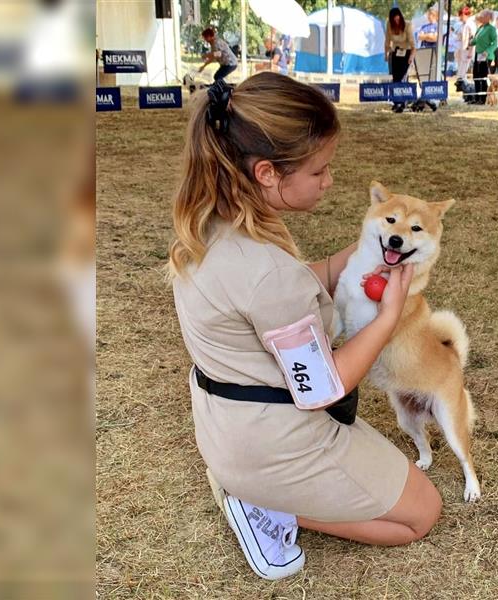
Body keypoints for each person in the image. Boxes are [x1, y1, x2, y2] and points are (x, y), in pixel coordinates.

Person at [169, 73, 441, 581]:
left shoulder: (212, 221)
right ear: (268, 172)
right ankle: (266, 506)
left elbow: (282, 293)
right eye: (319, 170)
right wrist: (387, 318)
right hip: (272, 440)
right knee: (420, 514)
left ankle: (257, 489)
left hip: (228, 423)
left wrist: (359, 261)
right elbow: (323, 386)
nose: (329, 180)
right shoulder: (267, 273)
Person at [384, 7, 415, 113]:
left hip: (406, 52)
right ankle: (396, 101)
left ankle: (403, 101)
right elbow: (387, 40)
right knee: (395, 77)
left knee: (402, 77)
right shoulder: (389, 24)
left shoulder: (408, 25)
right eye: (394, 20)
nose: (396, 21)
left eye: (398, 19)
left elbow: (413, 45)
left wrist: (411, 56)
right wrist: (386, 54)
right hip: (395, 53)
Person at [469, 10, 497, 105]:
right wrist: (470, 43)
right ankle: (476, 98)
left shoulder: (491, 29)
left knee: (483, 77)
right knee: (476, 76)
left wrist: (488, 51)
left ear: (488, 18)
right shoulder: (481, 27)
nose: (480, 17)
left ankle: (483, 98)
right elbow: (476, 40)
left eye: (483, 16)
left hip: (486, 56)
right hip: (477, 55)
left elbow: (495, 43)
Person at [455, 6, 476, 83]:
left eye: (461, 15)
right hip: (461, 50)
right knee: (461, 70)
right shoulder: (462, 25)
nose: (460, 17)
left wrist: (470, 51)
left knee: (463, 71)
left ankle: (464, 85)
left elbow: (473, 38)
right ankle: (462, 85)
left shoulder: (470, 24)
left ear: (465, 14)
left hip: (467, 50)